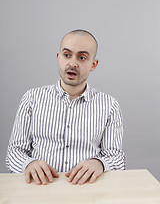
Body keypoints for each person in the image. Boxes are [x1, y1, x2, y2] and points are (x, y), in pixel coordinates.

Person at [6, 29, 126, 185]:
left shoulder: (109, 105)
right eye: (67, 55)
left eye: (82, 57)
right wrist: (28, 164)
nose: (72, 63)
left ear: (93, 65)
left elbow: (117, 158)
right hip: (40, 189)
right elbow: (14, 153)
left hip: (89, 192)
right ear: (58, 58)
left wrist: (100, 163)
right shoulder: (31, 98)